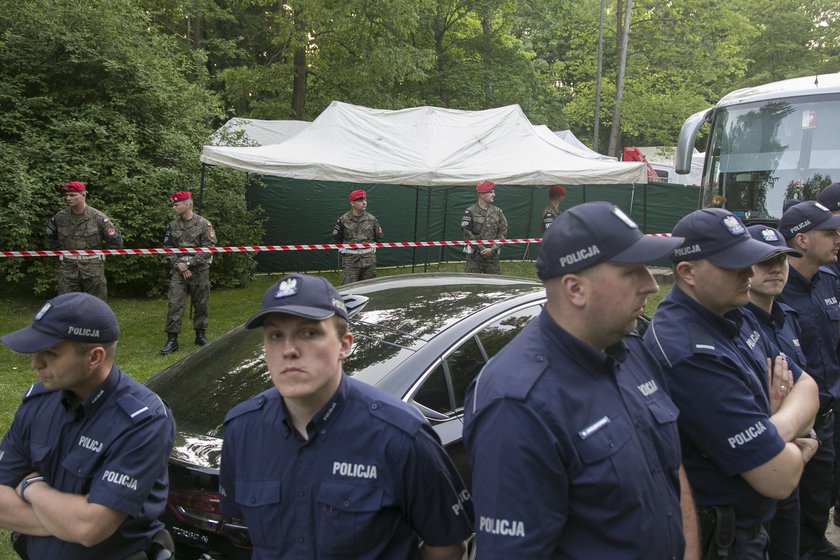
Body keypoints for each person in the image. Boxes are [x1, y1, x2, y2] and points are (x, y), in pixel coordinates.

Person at [463, 201, 696, 558]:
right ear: (575, 290)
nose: (651, 285)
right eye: (632, 271)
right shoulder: (517, 404)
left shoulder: (632, 352)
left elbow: (670, 477)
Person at [218, 273, 473, 560]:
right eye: (276, 335)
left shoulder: (401, 435)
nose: (289, 350)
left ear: (345, 345)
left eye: (309, 333)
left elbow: (448, 545)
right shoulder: (243, 429)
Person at [644, 208, 819, 559]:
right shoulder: (687, 350)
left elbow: (808, 387)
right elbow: (778, 478)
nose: (747, 273)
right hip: (723, 540)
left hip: (751, 530)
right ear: (687, 272)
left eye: (748, 261)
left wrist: (771, 427)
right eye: (733, 264)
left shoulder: (735, 313)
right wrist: (795, 433)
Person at [0, 292, 175, 559]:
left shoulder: (144, 420)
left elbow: (91, 526)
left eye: (51, 352)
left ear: (94, 357)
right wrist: (66, 522)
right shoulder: (39, 402)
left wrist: (31, 487)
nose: (36, 363)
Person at [776, 201, 840, 560]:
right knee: (791, 499)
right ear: (801, 240)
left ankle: (814, 543)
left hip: (830, 409)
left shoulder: (830, 280)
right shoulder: (775, 287)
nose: (838, 239)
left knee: (822, 489)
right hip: (795, 419)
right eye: (829, 233)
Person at [745, 225, 809, 560]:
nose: (776, 268)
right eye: (764, 260)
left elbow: (805, 386)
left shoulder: (787, 319)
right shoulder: (738, 326)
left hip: (797, 447)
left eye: (782, 259)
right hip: (761, 466)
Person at [159, 191, 217, 355]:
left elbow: (210, 247)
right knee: (175, 303)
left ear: (188, 204)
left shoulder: (204, 224)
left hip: (199, 270)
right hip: (178, 272)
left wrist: (190, 264)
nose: (174, 207)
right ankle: (172, 339)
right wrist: (179, 265)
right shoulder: (172, 226)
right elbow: (167, 248)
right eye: (174, 204)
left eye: (177, 204)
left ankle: (200, 335)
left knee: (201, 303)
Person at [46, 181, 123, 301]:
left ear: (83, 195)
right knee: (66, 304)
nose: (68, 198)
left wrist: (99, 257)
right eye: (66, 195)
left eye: (72, 195)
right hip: (68, 268)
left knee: (97, 304)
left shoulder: (98, 217)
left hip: (93, 269)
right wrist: (64, 253)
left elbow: (116, 242)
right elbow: (51, 239)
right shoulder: (59, 218)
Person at [332, 189, 383, 285]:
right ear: (352, 203)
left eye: (365, 200)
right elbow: (336, 238)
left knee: (370, 288)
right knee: (348, 290)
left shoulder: (372, 219)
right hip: (350, 261)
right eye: (360, 200)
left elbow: (379, 237)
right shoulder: (343, 220)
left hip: (369, 261)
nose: (364, 203)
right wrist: (342, 249)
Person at [461, 180, 508, 274]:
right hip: (474, 258)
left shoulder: (498, 212)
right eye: (491, 192)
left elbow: (503, 232)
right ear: (481, 194)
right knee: (472, 285)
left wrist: (492, 249)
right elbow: (467, 233)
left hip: (492, 258)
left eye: (493, 192)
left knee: (494, 286)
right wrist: (482, 249)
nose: (494, 194)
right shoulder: (470, 212)